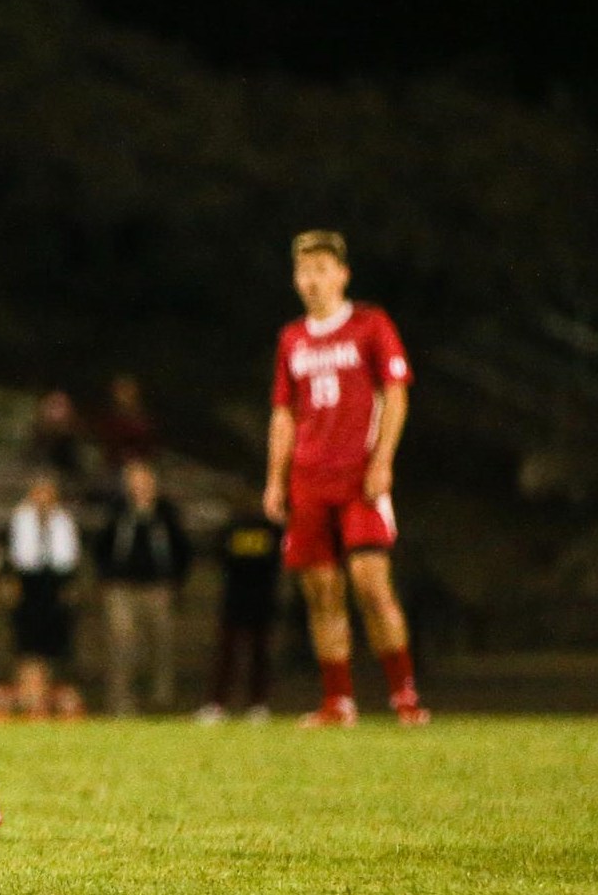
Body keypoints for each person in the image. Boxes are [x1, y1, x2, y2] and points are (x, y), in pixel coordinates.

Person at [263, 230, 429, 726]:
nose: (311, 280)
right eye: (303, 271)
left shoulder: (370, 325)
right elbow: (283, 414)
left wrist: (383, 460)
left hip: (358, 476)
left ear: (342, 274)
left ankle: (404, 694)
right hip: (309, 480)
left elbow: (396, 393)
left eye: (320, 270)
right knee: (320, 591)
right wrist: (275, 479)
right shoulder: (291, 338)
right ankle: (338, 700)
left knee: (372, 585)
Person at [93, 459, 191, 716]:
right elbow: (101, 547)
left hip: (158, 588)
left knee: (162, 644)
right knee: (123, 644)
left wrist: (175, 579)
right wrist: (107, 577)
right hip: (122, 588)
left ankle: (161, 701)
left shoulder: (166, 513)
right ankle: (122, 703)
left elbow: (183, 549)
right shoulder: (117, 511)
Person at [195, 496, 283, 723]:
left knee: (259, 655)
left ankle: (258, 704)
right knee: (227, 654)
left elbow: (277, 561)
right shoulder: (231, 529)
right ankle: (217, 704)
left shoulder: (272, 530)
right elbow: (221, 558)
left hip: (262, 601)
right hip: (234, 601)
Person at [6, 474, 83, 719]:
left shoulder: (63, 522)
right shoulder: (20, 520)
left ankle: (48, 700)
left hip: (54, 588)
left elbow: (70, 560)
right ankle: (30, 699)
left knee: (51, 648)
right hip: (29, 589)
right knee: (28, 648)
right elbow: (14, 559)